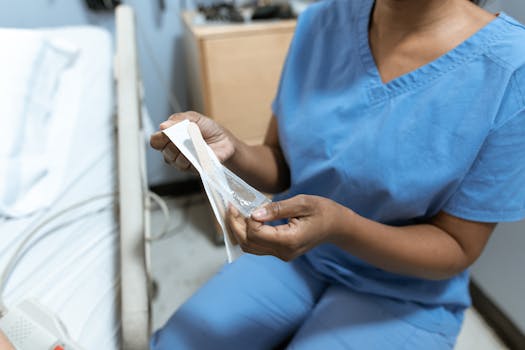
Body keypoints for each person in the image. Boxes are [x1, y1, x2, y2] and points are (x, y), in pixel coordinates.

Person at [149, 0, 525, 348]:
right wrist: (230, 151)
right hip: (299, 262)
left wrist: (339, 226)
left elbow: (457, 246)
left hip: (406, 291)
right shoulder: (323, 21)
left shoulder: (510, 68)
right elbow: (282, 162)